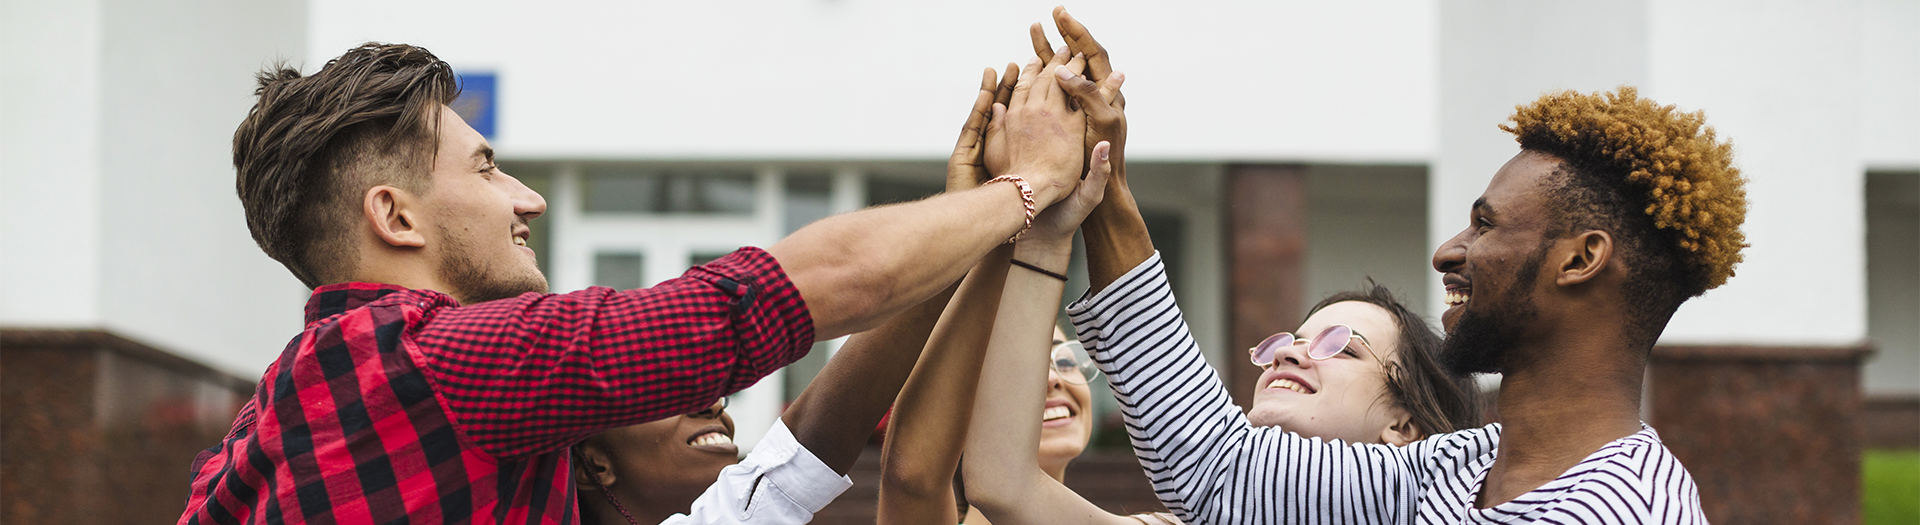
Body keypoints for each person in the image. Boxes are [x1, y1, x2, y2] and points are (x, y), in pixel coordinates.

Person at [179, 40, 1092, 525]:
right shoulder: (437, 363)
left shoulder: (273, 419)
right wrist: (1033, 185)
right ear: (397, 217)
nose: (526, 198)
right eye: (488, 167)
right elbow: (783, 292)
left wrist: (958, 221)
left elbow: (809, 443)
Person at [1058, 12, 1742, 520]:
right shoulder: (1457, 465)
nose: (1449, 251)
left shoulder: (1626, 509)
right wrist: (1102, 184)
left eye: (1486, 224)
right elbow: (1219, 467)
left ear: (1581, 258)